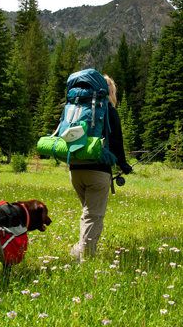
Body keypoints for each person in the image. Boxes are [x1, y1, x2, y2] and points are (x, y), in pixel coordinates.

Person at [69, 75, 132, 261]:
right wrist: (124, 165)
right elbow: (117, 142)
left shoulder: (79, 107)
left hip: (75, 170)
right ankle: (85, 260)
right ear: (110, 92)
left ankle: (77, 251)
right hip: (98, 173)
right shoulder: (109, 111)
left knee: (90, 214)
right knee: (93, 216)